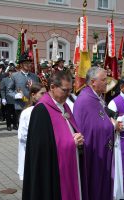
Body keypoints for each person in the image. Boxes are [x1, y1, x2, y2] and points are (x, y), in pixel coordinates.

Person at [23, 71, 87, 200]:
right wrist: (71, 143)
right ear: (52, 87)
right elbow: (40, 149)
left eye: (70, 90)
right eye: (65, 90)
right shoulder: (41, 110)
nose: (68, 94)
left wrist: (78, 138)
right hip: (52, 173)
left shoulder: (65, 106)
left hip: (70, 164)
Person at [73, 67, 118, 200]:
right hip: (93, 152)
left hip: (100, 150)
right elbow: (90, 129)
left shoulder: (95, 97)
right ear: (93, 82)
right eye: (103, 80)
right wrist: (112, 125)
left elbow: (99, 121)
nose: (106, 83)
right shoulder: (86, 100)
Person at [18, 83, 46, 180]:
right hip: (31, 151)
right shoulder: (27, 112)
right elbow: (22, 136)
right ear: (33, 95)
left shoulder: (45, 109)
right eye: (42, 93)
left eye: (46, 94)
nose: (45, 96)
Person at [7, 52, 39, 126]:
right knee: (22, 126)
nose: (28, 65)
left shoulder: (34, 76)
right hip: (20, 105)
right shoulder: (14, 76)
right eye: (26, 63)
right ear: (21, 65)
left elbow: (38, 89)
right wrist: (15, 95)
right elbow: (9, 90)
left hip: (33, 105)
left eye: (29, 63)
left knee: (33, 126)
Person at [0, 64, 17, 131]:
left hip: (16, 99)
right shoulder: (4, 80)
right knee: (8, 114)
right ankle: (8, 125)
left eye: (13, 71)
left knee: (15, 113)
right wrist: (3, 98)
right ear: (8, 72)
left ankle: (15, 125)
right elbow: (2, 90)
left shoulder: (17, 79)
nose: (12, 73)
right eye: (10, 71)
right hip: (8, 99)